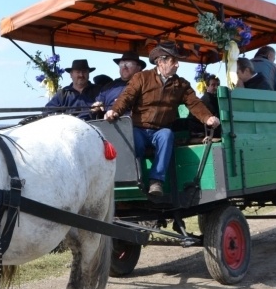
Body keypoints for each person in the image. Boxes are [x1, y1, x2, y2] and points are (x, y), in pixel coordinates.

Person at [104, 42, 220, 197]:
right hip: (139, 128)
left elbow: (194, 103)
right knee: (134, 143)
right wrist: (114, 111)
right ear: (161, 62)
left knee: (167, 135)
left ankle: (156, 181)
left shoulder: (181, 85)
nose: (178, 65)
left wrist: (208, 118)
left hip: (160, 131)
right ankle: (135, 179)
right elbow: (127, 97)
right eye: (174, 61)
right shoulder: (142, 78)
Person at [90, 51, 146, 117]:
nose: (124, 67)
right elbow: (93, 113)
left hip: (132, 124)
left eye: (129, 64)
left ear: (139, 67)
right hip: (107, 124)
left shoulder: (144, 86)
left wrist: (125, 104)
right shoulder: (109, 87)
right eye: (122, 64)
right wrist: (95, 108)